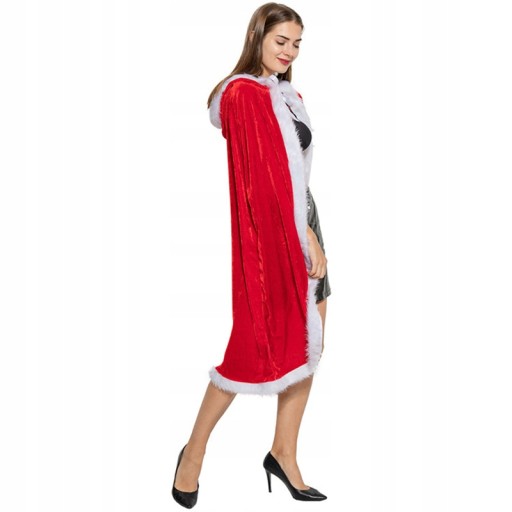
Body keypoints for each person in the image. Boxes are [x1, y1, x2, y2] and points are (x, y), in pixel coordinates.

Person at [171, 3, 331, 508]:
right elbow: (260, 185)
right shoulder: (243, 94)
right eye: (281, 41)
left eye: (297, 44)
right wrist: (302, 235)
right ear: (257, 36)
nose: (290, 52)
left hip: (305, 221)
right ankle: (194, 452)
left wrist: (310, 229)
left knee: (308, 343)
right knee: (251, 345)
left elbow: (295, 174)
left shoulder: (286, 94)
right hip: (277, 232)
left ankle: (284, 453)